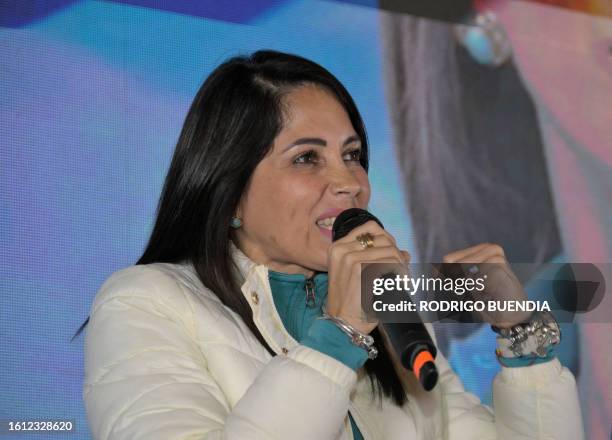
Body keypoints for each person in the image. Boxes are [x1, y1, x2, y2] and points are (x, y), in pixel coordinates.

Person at [83, 50, 584, 439]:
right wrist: (340, 333)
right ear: (230, 192)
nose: (349, 183)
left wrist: (521, 335)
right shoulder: (145, 302)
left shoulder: (390, 314)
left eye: (353, 155)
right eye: (307, 158)